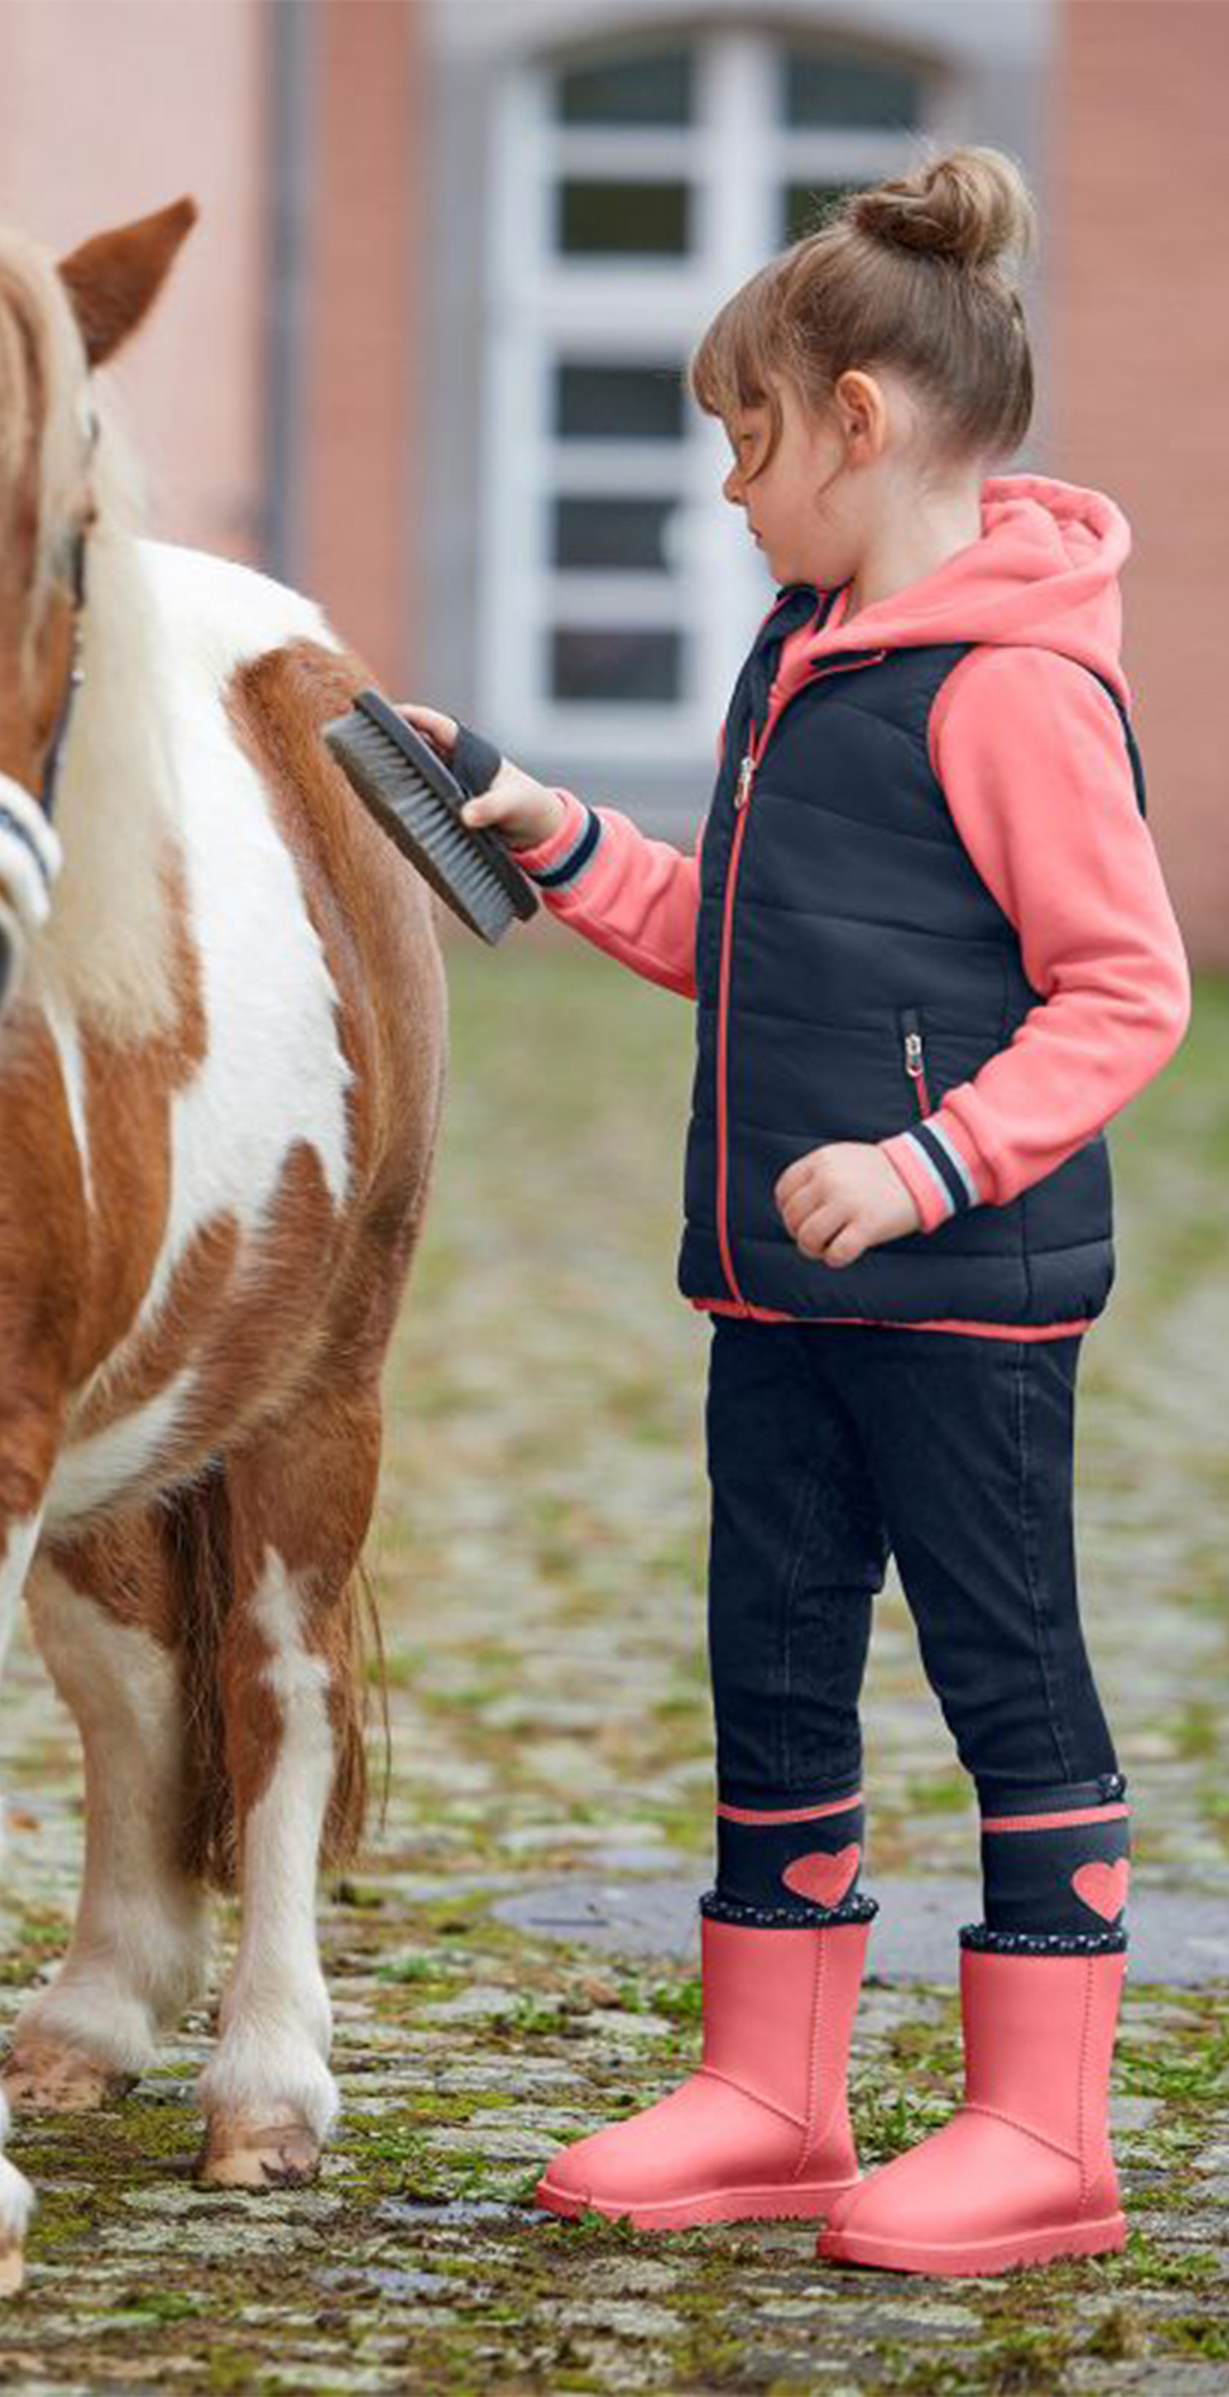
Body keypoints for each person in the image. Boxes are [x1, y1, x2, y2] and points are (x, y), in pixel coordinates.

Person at [401, 146, 1191, 2279]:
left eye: (743, 441)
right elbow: (731, 935)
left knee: (1006, 1669)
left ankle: (1043, 2128)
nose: (726, 490)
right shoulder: (809, 650)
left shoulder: (1008, 683)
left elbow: (1126, 988)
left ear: (854, 418)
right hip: (774, 1295)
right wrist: (543, 826)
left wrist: (930, 1164)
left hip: (961, 1299)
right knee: (770, 1663)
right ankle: (772, 2091)